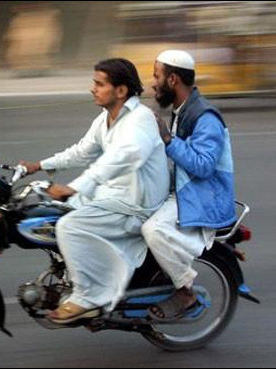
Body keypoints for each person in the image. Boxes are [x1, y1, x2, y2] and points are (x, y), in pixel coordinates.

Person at [19, 58, 169, 324]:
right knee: (51, 213)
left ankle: (88, 298)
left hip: (136, 205)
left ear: (120, 91)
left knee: (69, 226)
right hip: (114, 196)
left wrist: (75, 187)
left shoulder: (140, 120)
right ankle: (74, 275)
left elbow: (120, 159)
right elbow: (81, 151)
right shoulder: (106, 119)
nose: (93, 89)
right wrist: (39, 165)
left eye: (99, 84)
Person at [141, 50, 237, 321]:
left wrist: (168, 140)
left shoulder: (205, 116)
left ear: (172, 80)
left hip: (205, 197)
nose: (152, 83)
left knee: (153, 229)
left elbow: (204, 166)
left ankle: (185, 293)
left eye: (156, 76)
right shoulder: (182, 110)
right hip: (186, 189)